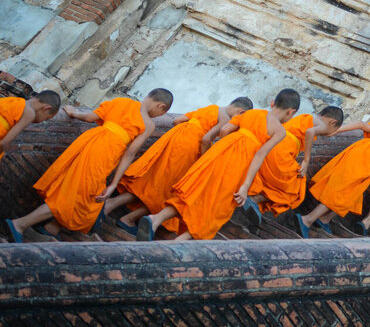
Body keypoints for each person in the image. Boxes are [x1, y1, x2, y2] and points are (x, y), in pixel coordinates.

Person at [4, 89, 172, 243]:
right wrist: (114, 184)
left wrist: (74, 113)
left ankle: (51, 228)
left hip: (89, 142)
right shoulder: (148, 125)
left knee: (78, 191)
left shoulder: (121, 102)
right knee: (78, 193)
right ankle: (19, 224)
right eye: (161, 113)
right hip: (104, 153)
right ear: (160, 106)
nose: (157, 116)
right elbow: (130, 154)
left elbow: (89, 117)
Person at [136, 89, 300, 241]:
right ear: (291, 112)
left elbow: (225, 131)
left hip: (220, 152)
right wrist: (245, 186)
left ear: (273, 102)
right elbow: (260, 155)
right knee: (217, 206)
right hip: (239, 164)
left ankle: (155, 219)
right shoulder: (280, 131)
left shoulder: (252, 113)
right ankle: (178, 242)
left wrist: (226, 147)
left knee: (195, 192)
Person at [103, 97, 253, 235]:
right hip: (189, 146)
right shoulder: (225, 118)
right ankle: (121, 212)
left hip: (174, 137)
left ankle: (117, 208)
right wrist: (204, 159)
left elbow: (178, 120)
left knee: (151, 180)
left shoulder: (211, 108)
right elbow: (207, 139)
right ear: (242, 112)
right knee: (165, 189)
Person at [243, 106, 344, 225]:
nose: (328, 134)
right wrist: (306, 160)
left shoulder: (307, 118)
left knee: (279, 182)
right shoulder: (320, 124)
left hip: (273, 147)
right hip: (281, 151)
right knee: (296, 186)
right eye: (332, 131)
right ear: (333, 122)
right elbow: (310, 132)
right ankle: (255, 199)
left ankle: (255, 199)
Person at [0, 91, 61, 160]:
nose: (42, 121)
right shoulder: (30, 113)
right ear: (46, 108)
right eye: (46, 118)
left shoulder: (12, 100)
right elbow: (4, 143)